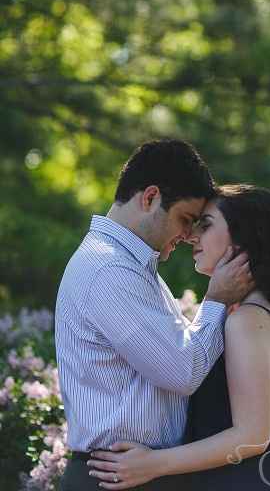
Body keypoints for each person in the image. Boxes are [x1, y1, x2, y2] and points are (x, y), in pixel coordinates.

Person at [87, 184, 270, 490]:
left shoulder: (248, 321)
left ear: (245, 236)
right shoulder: (250, 313)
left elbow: (251, 436)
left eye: (206, 225)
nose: (191, 236)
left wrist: (152, 464)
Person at [55, 141, 254, 491]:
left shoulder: (131, 267)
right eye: (186, 220)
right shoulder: (109, 270)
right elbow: (183, 370)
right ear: (149, 198)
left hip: (134, 472)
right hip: (116, 477)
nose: (189, 236)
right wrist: (218, 299)